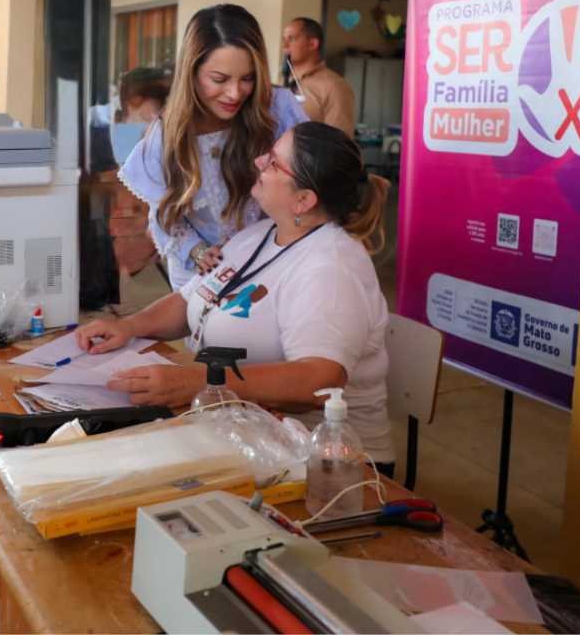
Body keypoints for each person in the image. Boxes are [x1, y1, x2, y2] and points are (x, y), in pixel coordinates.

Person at [78, 121, 396, 471]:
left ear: (303, 200)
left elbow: (319, 379)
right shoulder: (261, 235)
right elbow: (191, 299)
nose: (259, 161)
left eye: (274, 162)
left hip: (328, 465)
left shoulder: (330, 268)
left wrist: (200, 382)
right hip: (247, 431)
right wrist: (129, 326)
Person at [119, 4, 307, 291]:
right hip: (199, 272)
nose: (235, 93)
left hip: (271, 260)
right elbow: (164, 214)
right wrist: (195, 251)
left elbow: (308, 180)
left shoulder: (278, 108)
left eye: (247, 78)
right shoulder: (167, 133)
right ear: (191, 73)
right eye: (219, 80)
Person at [282, 17, 356, 137]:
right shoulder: (284, 80)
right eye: (284, 39)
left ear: (312, 44)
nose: (285, 46)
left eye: (292, 38)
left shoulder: (334, 87)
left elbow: (339, 143)